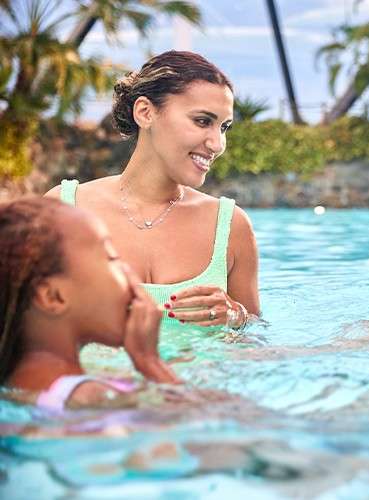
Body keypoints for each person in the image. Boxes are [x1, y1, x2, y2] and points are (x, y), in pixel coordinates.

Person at [46, 51, 259, 331]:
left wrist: (237, 316)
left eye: (224, 127)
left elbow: (256, 339)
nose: (218, 144)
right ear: (145, 113)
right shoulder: (64, 210)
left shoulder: (231, 226)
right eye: (202, 121)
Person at [0, 197, 179, 411]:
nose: (129, 271)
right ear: (53, 297)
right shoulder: (97, 398)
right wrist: (150, 363)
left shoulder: (14, 388)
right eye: (112, 258)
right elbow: (194, 419)